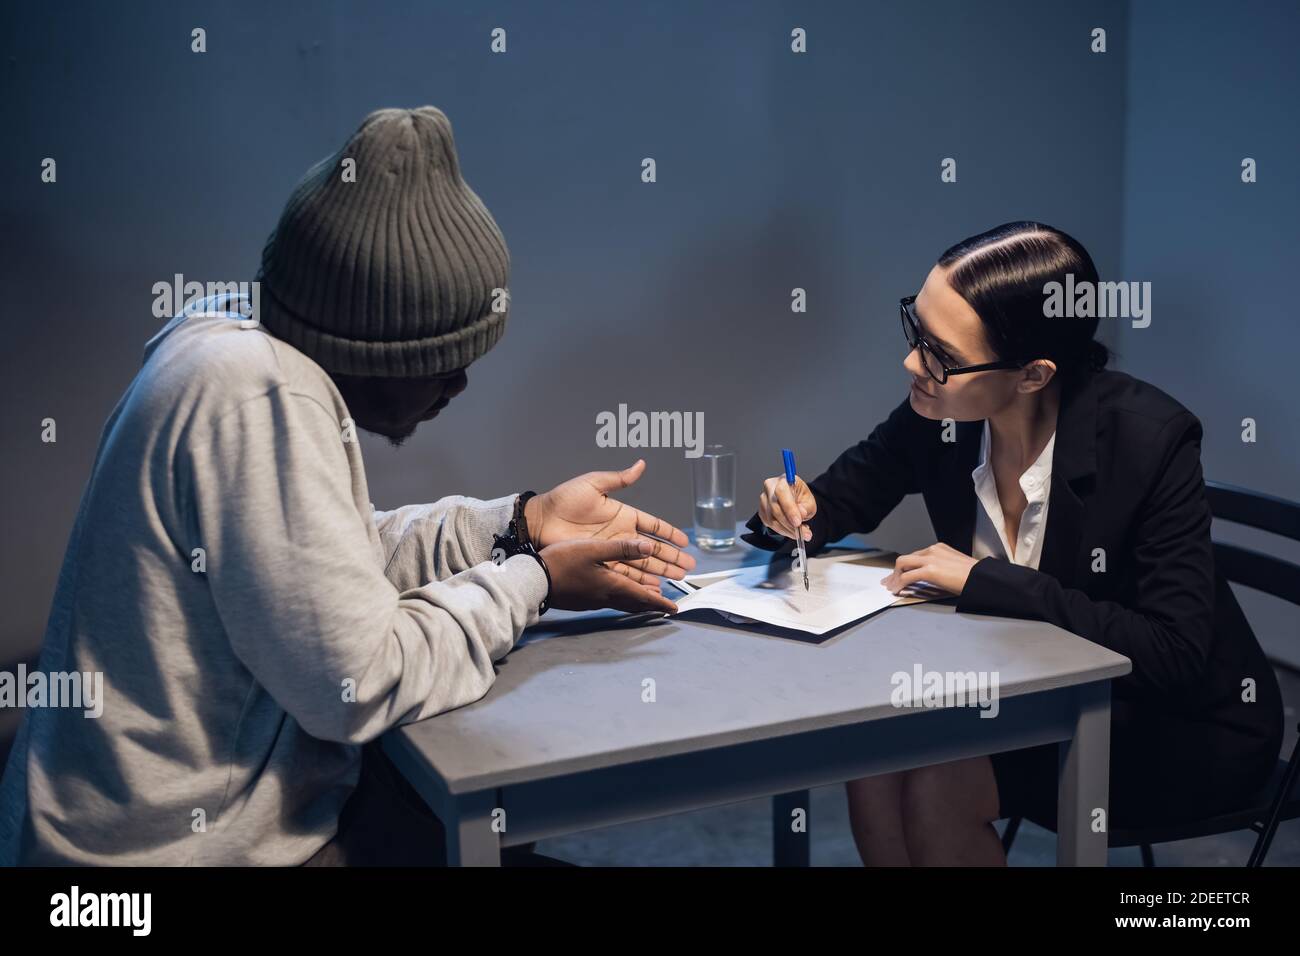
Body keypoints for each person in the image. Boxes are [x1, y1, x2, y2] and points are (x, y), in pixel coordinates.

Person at [0, 106, 694, 866]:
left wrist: (522, 520)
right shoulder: (262, 398)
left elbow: (328, 564)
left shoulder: (232, 338)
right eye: (441, 359)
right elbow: (358, 681)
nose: (459, 383)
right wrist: (531, 580)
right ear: (369, 344)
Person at [745, 221, 1282, 866]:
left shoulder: (1148, 442)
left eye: (939, 354)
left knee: (939, 785)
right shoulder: (942, 412)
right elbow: (836, 499)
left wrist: (983, 580)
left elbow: (1171, 652)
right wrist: (792, 511)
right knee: (875, 755)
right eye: (914, 330)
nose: (913, 363)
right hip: (1032, 693)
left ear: (1032, 374)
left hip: (1175, 723)